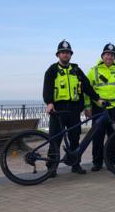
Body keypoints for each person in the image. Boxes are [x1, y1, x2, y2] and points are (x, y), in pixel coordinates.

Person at [43, 39, 101, 177]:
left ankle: (75, 164)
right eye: (62, 53)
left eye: (67, 53)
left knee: (75, 139)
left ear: (71, 55)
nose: (65, 55)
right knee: (55, 140)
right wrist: (49, 102)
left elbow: (87, 86)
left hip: (74, 110)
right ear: (58, 55)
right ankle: (52, 168)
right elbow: (47, 88)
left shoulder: (76, 70)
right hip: (57, 110)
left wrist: (97, 98)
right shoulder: (52, 70)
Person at [84, 43, 115, 172]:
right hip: (99, 108)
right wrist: (87, 107)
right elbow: (87, 90)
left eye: (112, 55)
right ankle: (97, 162)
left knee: (113, 135)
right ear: (103, 56)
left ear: (114, 57)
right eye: (107, 54)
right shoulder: (94, 71)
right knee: (97, 136)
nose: (109, 57)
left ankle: (111, 161)